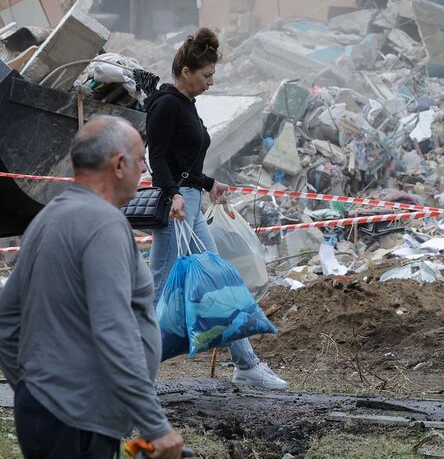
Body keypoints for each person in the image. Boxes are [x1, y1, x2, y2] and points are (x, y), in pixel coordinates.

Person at [0, 116, 183, 459]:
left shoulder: (49, 216)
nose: (144, 169)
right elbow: (114, 329)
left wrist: (31, 389)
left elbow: (6, 317)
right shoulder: (104, 225)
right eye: (141, 160)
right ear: (118, 165)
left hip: (47, 413)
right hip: (78, 421)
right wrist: (156, 427)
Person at [146, 27, 286, 390]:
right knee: (156, 288)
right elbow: (157, 157)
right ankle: (127, 366)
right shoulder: (165, 104)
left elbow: (182, 159)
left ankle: (246, 364)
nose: (210, 82)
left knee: (218, 284)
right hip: (174, 209)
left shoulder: (187, 105)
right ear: (187, 72)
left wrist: (208, 184)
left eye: (213, 75)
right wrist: (173, 193)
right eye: (206, 75)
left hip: (191, 202)